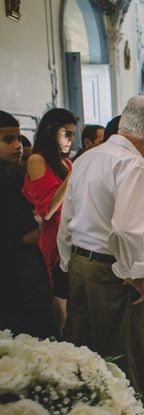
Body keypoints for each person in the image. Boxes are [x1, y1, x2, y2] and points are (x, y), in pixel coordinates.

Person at [57, 95, 144, 399]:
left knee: (86, 356)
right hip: (112, 272)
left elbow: (67, 216)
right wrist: (135, 275)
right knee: (126, 360)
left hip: (81, 266)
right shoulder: (131, 164)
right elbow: (126, 228)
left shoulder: (87, 158)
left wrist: (69, 263)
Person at [0, 111, 53, 338]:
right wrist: (40, 225)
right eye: (8, 140)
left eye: (19, 139)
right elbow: (26, 234)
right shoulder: (4, 181)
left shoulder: (9, 175)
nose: (17, 146)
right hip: (14, 274)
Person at [23, 108, 76, 334]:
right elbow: (46, 209)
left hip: (71, 236)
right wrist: (73, 178)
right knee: (60, 307)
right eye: (66, 133)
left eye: (73, 134)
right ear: (50, 131)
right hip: (51, 239)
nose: (71, 140)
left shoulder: (67, 164)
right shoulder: (37, 160)